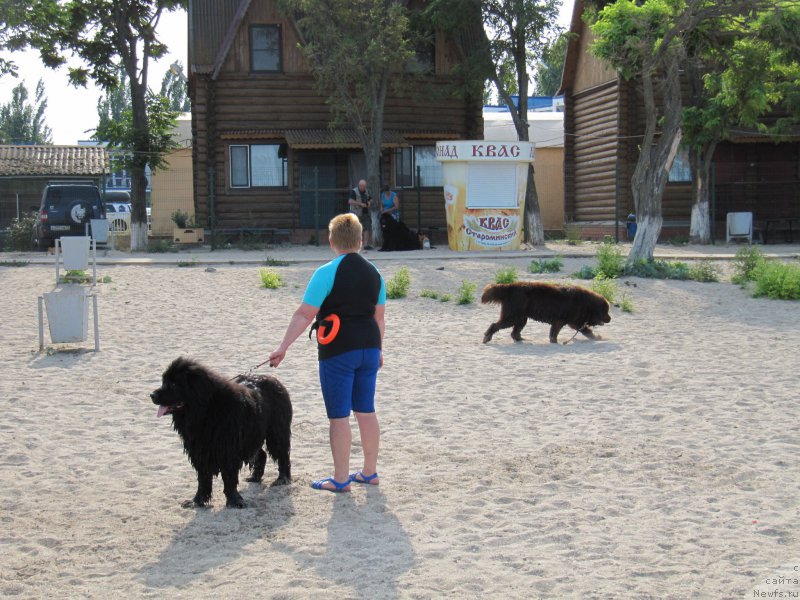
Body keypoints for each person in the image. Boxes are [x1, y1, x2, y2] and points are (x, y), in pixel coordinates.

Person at [269, 213, 385, 493]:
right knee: (366, 411)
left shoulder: (326, 272)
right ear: (361, 240)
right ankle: (369, 472)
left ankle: (341, 479)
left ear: (331, 241)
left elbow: (304, 314)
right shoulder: (375, 273)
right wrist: (379, 350)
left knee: (339, 416)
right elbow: (379, 317)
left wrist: (282, 347)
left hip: (338, 350)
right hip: (369, 347)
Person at [348, 179, 373, 249]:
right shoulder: (354, 191)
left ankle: (366, 245)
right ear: (359, 186)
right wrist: (360, 204)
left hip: (365, 213)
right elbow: (350, 201)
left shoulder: (367, 191)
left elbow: (370, 199)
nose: (364, 188)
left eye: (365, 186)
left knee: (367, 228)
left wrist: (369, 202)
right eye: (363, 187)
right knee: (354, 229)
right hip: (356, 213)